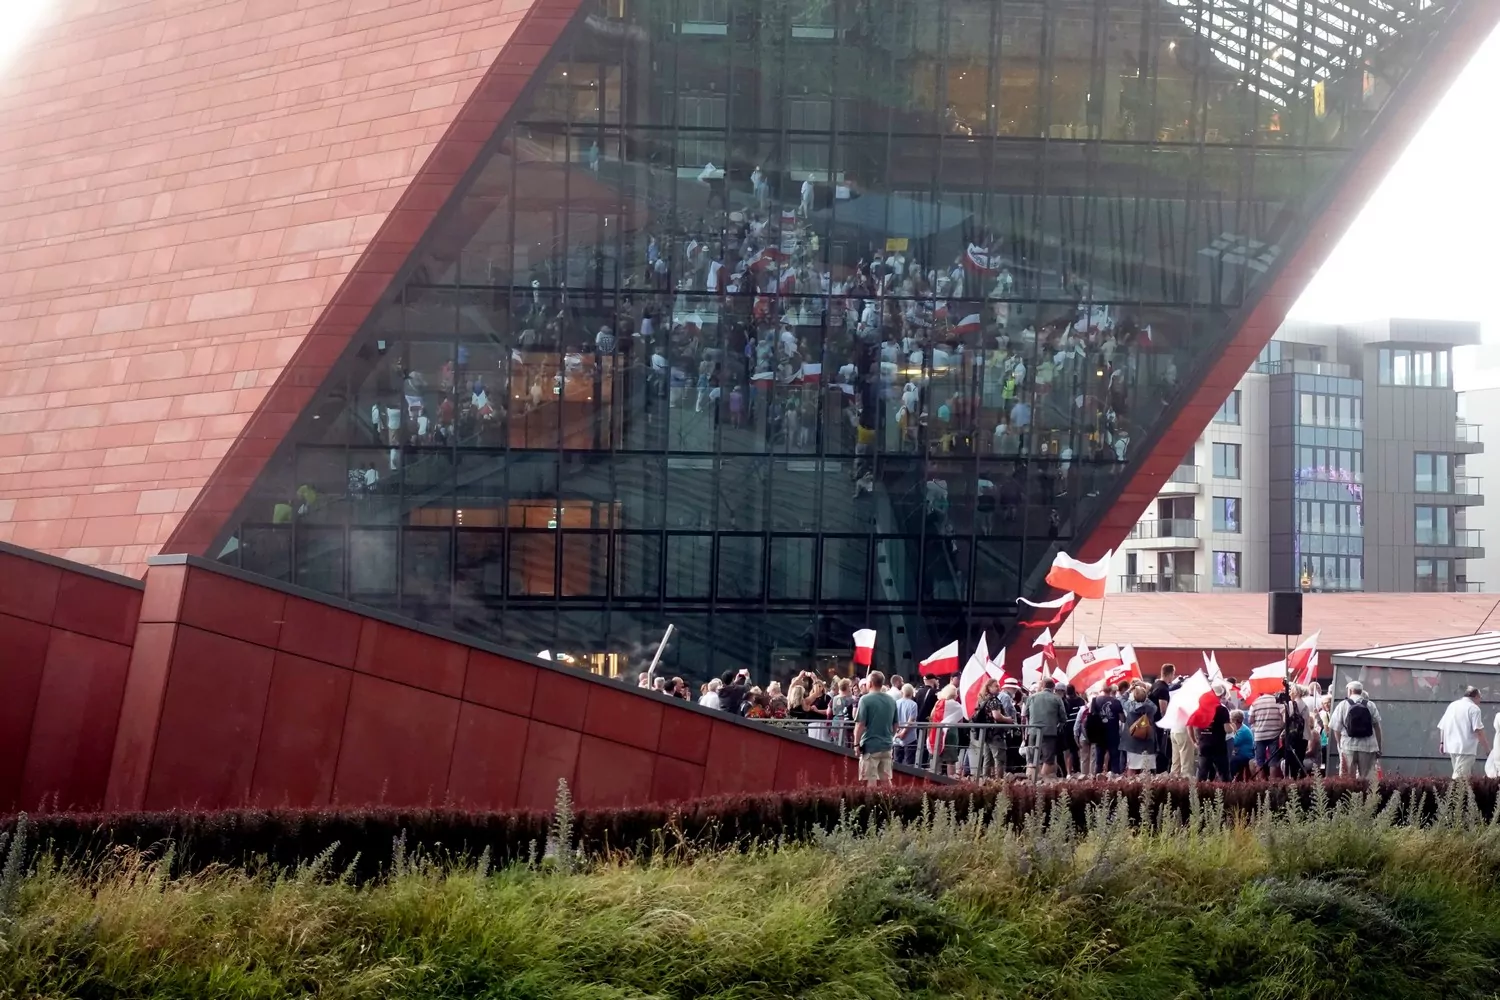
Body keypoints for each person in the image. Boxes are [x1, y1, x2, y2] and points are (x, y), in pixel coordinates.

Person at [1328, 680, 1383, 780]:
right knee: (1367, 778)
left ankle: (1350, 795)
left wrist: (1340, 745)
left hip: (1348, 746)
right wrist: (1379, 747)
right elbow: (1377, 728)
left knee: (1348, 779)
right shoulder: (1370, 705)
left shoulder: (1342, 705)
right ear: (1361, 691)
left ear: (1350, 691)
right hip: (1368, 746)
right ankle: (1365, 795)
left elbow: (1336, 728)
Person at [853, 671, 898, 786]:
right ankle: (890, 802)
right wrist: (889, 737)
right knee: (886, 780)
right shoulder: (891, 700)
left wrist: (856, 744)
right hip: (887, 745)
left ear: (871, 683)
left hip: (870, 745)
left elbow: (860, 724)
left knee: (869, 780)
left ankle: (870, 803)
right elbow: (896, 724)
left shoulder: (865, 699)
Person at [1437, 686, 1489, 780]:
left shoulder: (1453, 705)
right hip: (1466, 748)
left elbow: (1443, 725)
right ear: (1476, 696)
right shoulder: (1474, 709)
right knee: (1459, 778)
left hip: (1451, 746)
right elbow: (1478, 731)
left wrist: (1442, 742)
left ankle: (1467, 795)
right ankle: (1452, 794)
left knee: (1464, 777)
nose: (1480, 700)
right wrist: (1487, 750)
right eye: (1480, 697)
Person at [1027, 677, 1068, 779]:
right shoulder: (1057, 698)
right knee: (1048, 759)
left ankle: (1032, 781)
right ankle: (1043, 781)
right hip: (1050, 732)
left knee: (1033, 758)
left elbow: (1025, 714)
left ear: (1042, 686)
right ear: (1053, 687)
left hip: (1033, 730)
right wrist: (1058, 726)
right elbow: (1063, 717)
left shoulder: (1032, 697)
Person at [971, 678, 1011, 779]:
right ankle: (999, 781)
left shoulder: (983, 699)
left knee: (987, 759)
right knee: (999, 758)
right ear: (989, 687)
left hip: (986, 733)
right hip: (996, 733)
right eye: (996, 686)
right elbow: (997, 716)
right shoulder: (993, 700)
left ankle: (986, 780)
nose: (999, 688)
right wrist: (1008, 719)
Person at [1195, 681, 1234, 781]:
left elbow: (1194, 726)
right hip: (1218, 746)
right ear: (1221, 695)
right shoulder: (1222, 709)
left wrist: (1196, 740)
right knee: (1224, 775)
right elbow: (1227, 729)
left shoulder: (1200, 707)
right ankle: (1227, 795)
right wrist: (1233, 727)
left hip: (1203, 744)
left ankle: (1198, 794)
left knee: (1201, 775)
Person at [1120, 681, 1160, 776]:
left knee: (1132, 769)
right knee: (1149, 771)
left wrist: (1129, 689)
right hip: (1148, 743)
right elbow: (1151, 703)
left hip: (1132, 744)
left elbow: (1122, 699)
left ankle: (1132, 789)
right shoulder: (1152, 708)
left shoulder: (1130, 706)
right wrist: (1145, 692)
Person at [1248, 686, 1287, 779]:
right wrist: (1281, 725)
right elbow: (1285, 716)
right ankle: (1272, 782)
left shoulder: (1255, 702)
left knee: (1259, 761)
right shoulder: (1277, 701)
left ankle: (1261, 783)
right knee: (1273, 760)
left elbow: (1250, 720)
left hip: (1259, 735)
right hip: (1274, 734)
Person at [1087, 683, 1124, 775]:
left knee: (1099, 761)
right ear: (1111, 690)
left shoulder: (1095, 701)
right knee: (1115, 759)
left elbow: (1091, 716)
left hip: (1099, 734)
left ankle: (1097, 782)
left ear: (1101, 689)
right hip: (1113, 734)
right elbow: (1123, 719)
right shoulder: (1116, 702)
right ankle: (1116, 781)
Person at [1148, 664, 1177, 773]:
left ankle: (1152, 771)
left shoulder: (1154, 685)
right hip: (1159, 725)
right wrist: (1167, 724)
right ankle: (1159, 772)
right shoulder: (1163, 688)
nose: (1173, 677)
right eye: (1173, 674)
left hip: (1151, 722)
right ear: (1169, 674)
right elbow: (1163, 709)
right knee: (1161, 750)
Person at [894, 683, 920, 766]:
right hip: (910, 736)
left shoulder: (896, 703)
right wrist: (904, 732)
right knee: (910, 762)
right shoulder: (913, 704)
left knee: (897, 761)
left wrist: (898, 731)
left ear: (902, 692)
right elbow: (911, 721)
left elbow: (893, 719)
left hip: (897, 735)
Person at [1229, 710, 1256, 780]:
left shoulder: (1243, 731)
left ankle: (1232, 780)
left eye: (1231, 720)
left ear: (1235, 721)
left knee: (1231, 760)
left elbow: (1233, 743)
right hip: (1240, 754)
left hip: (1246, 755)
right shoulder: (1240, 729)